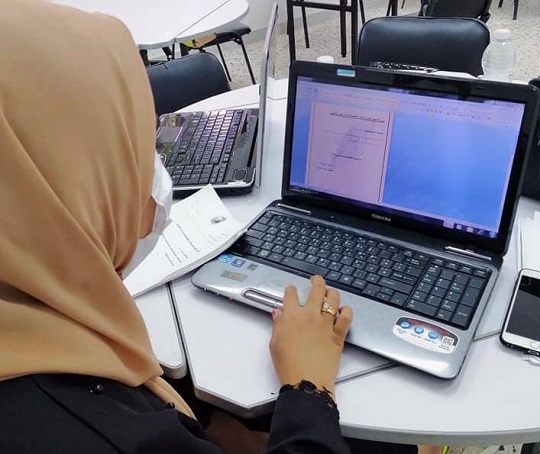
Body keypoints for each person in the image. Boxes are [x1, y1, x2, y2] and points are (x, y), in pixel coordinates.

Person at [0, 1, 422, 453]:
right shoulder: (110, 436)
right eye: (139, 147)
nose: (156, 173)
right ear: (76, 182)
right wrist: (308, 384)